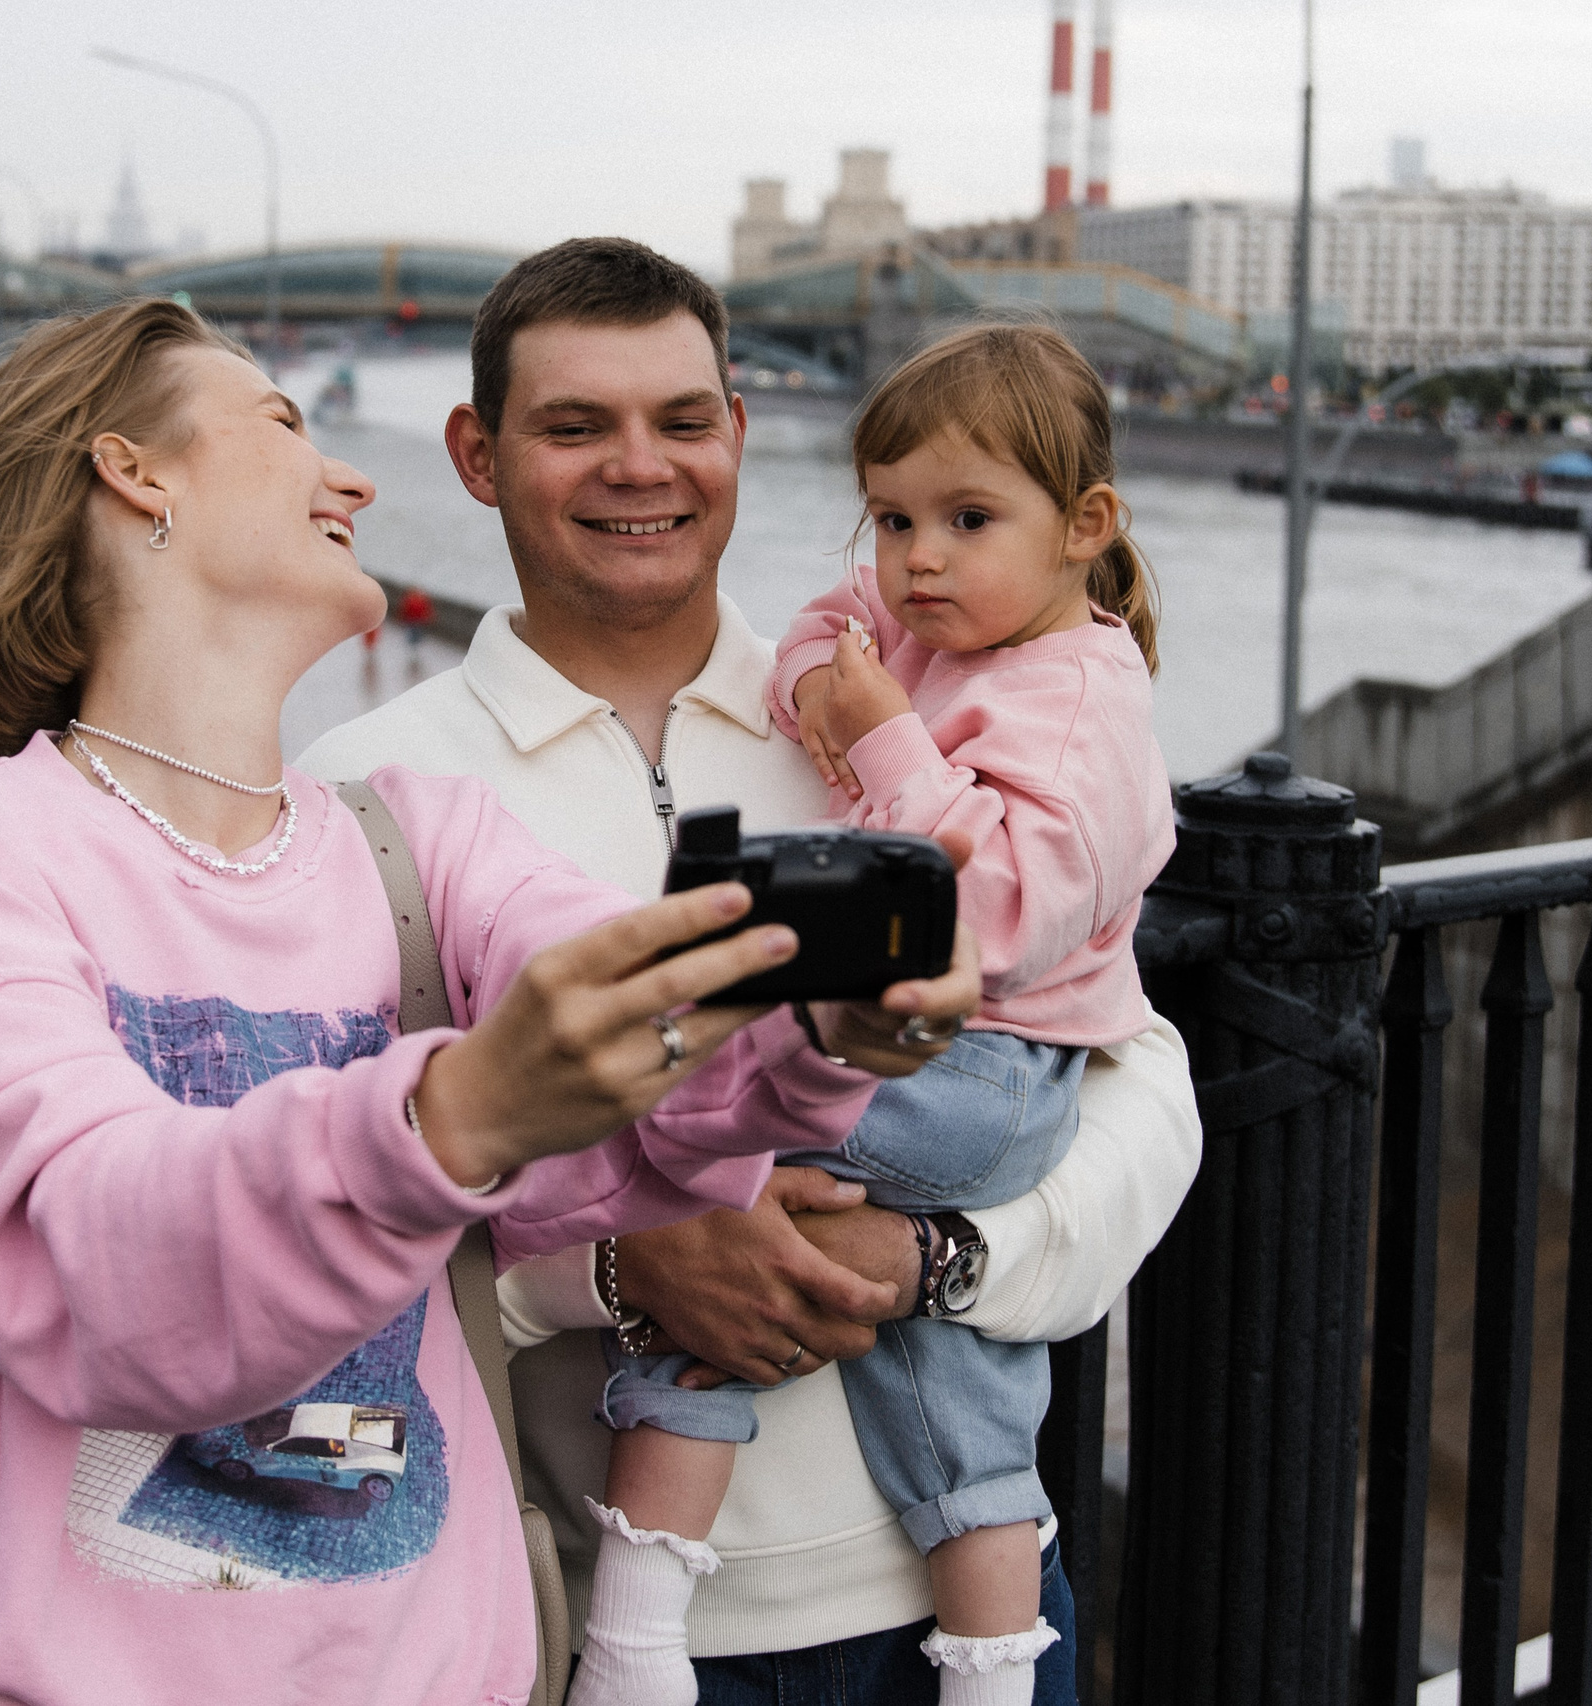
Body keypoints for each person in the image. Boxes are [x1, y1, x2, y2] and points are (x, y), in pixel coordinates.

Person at [0, 297, 984, 1706]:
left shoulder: (418, 839)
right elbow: (86, 1255)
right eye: (286, 423)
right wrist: (455, 1111)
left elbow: (639, 1056)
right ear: (134, 473)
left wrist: (809, 1029)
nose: (349, 476)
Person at [298, 239, 1203, 1705]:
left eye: (683, 419)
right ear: (476, 454)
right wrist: (612, 1262)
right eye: (574, 425)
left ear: (740, 430)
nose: (638, 467)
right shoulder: (363, 795)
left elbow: (1139, 1093)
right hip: (604, 1628)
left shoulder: (890, 718)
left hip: (963, 1613)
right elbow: (313, 1242)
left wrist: (945, 1261)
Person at [582, 321, 1175, 1706]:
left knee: (696, 1166)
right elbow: (827, 622)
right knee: (963, 1412)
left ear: (1084, 525)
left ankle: (634, 1624)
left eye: (967, 520)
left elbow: (997, 914)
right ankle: (990, 1677)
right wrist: (822, 687)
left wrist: (886, 737)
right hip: (957, 1063)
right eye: (896, 515)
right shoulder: (930, 620)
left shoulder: (1081, 692)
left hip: (989, 1061)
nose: (917, 558)